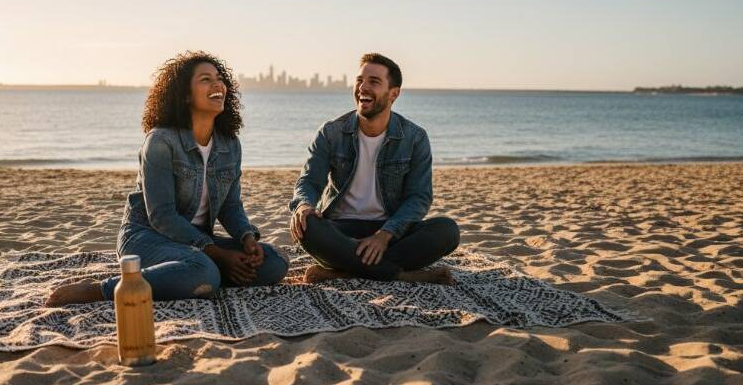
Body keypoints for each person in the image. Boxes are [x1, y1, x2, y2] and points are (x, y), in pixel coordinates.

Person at [47, 51, 288, 306]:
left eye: (219, 78)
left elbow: (231, 206)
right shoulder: (161, 141)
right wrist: (217, 253)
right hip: (146, 236)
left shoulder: (230, 144)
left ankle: (197, 276)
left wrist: (246, 238)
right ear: (184, 95)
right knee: (203, 271)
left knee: (274, 262)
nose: (218, 84)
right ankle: (104, 290)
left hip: (197, 242)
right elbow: (162, 216)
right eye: (205, 79)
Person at [289, 53, 460, 285]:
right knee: (308, 227)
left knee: (447, 231)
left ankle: (344, 271)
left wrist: (384, 235)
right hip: (340, 230)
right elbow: (309, 182)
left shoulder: (415, 138)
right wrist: (304, 205)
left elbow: (419, 198)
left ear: (393, 94)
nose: (363, 87)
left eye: (373, 82)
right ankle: (400, 275)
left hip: (389, 230)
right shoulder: (331, 133)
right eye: (359, 80)